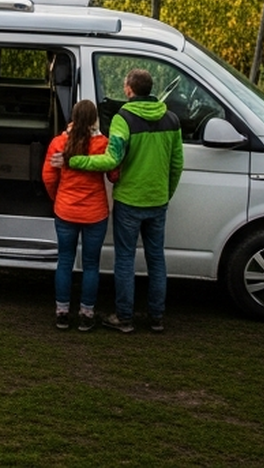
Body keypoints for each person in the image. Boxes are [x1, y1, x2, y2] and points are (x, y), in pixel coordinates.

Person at [68, 68, 183, 333]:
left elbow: (112, 159)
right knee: (156, 259)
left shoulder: (124, 118)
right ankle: (157, 318)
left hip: (130, 201)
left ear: (130, 89)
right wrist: (166, 193)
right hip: (158, 201)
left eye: (124, 85)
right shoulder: (172, 119)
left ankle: (124, 317)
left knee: (125, 259)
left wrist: (77, 161)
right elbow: (177, 164)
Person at [44, 100, 113, 331]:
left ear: (73, 117)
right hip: (95, 213)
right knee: (91, 264)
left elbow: (49, 177)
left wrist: (58, 198)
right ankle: (86, 314)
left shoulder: (59, 142)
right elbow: (114, 174)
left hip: (66, 210)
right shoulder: (103, 144)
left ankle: (62, 312)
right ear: (95, 119)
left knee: (65, 261)